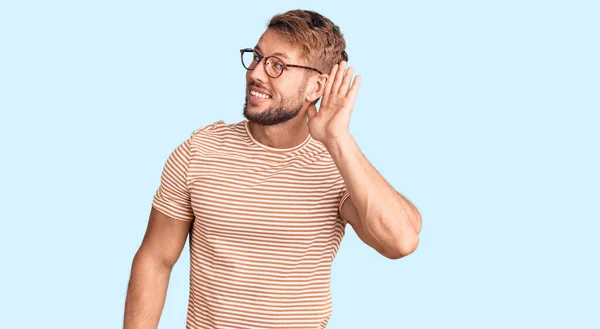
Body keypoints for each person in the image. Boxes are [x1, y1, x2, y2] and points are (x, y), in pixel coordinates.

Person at [123, 9, 422, 329]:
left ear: (316, 87)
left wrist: (337, 138)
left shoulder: (338, 166)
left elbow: (400, 241)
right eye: (256, 57)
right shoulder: (199, 152)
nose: (256, 73)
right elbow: (155, 260)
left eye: (277, 65)